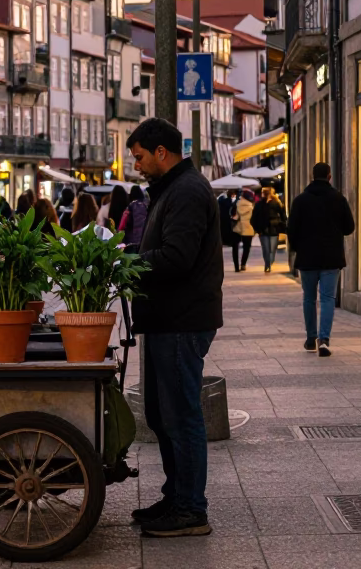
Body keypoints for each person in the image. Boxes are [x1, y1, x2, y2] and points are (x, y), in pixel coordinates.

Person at [125, 119, 223, 538]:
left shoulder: (186, 191)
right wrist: (128, 250)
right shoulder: (173, 189)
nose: (138, 166)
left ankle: (190, 509)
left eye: (140, 157)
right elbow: (163, 249)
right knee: (161, 414)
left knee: (181, 416)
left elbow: (177, 257)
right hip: (167, 319)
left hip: (182, 321)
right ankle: (176, 495)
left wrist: (126, 262)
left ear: (161, 152)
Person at [287, 163, 355, 357]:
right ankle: (324, 339)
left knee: (309, 298)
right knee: (327, 299)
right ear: (330, 176)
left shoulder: (300, 201)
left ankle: (310, 339)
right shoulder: (338, 199)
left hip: (307, 257)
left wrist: (298, 248)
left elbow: (291, 229)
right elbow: (349, 227)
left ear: (312, 175)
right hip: (331, 258)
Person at [250, 187, 287, 273]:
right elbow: (254, 218)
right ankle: (268, 264)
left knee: (270, 249)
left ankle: (269, 263)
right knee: (268, 249)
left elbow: (283, 215)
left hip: (272, 229)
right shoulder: (260, 204)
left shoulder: (275, 203)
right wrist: (257, 229)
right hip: (264, 230)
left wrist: (280, 223)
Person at [118, 186, 150, 252]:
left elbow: (122, 225)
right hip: (146, 240)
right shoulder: (148, 204)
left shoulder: (131, 206)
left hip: (131, 242)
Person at [231, 189, 256, 272]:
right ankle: (243, 264)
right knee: (247, 248)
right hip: (249, 228)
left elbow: (236, 217)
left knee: (235, 247)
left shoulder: (237, 205)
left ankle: (236, 266)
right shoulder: (252, 207)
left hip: (238, 228)